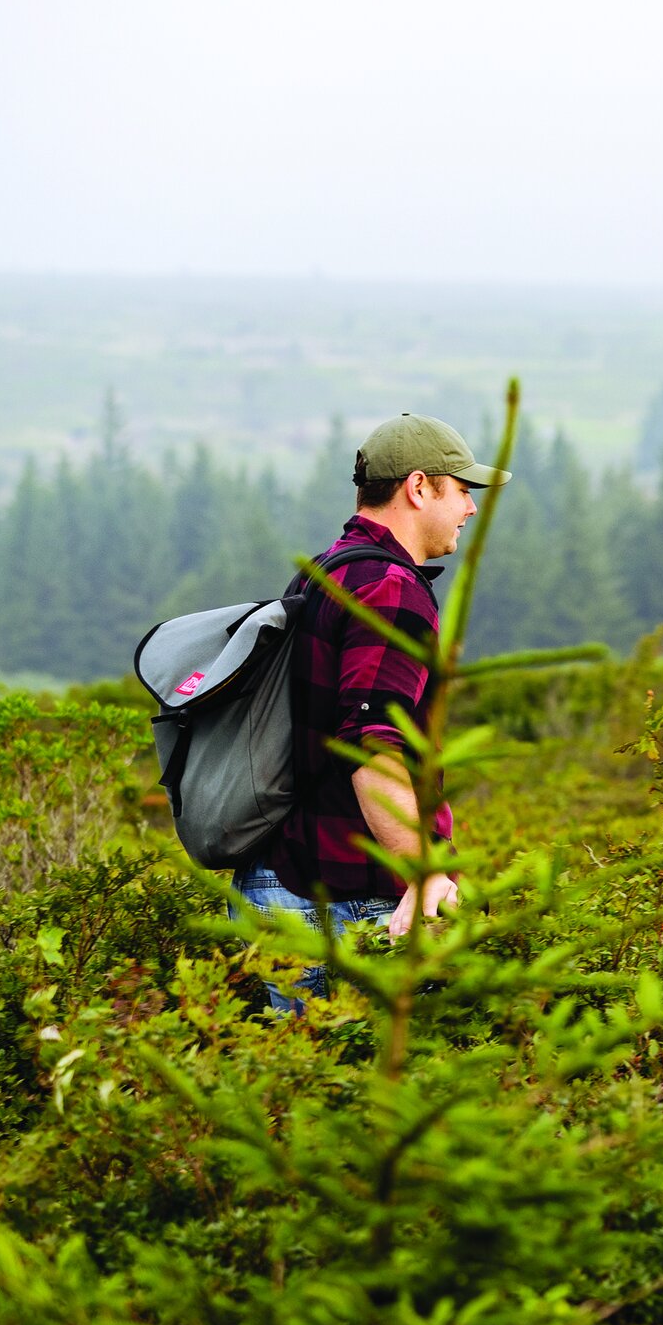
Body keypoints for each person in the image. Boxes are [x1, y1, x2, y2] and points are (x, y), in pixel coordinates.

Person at [234, 413, 507, 1008]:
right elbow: (372, 743)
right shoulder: (390, 588)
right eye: (462, 490)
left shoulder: (330, 570)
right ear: (418, 487)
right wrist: (424, 869)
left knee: (290, 1088)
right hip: (339, 897)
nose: (469, 508)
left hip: (284, 878)